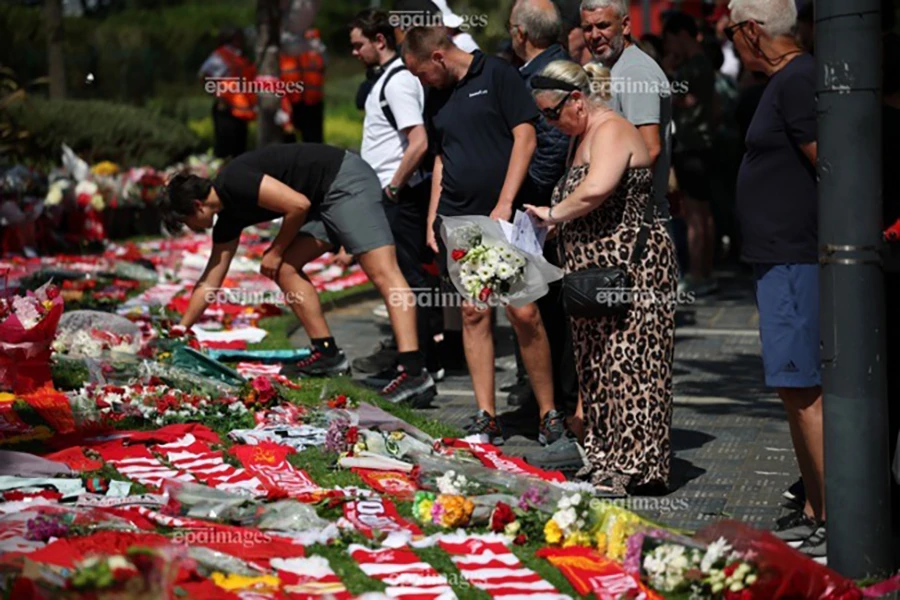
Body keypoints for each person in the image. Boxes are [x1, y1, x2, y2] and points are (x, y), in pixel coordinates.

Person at [160, 143, 436, 407]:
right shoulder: (227, 220)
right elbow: (210, 279)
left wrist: (276, 249)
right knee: (285, 268)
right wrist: (182, 328)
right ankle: (327, 354)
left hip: (344, 179)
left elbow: (298, 205)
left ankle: (414, 373)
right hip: (322, 198)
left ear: (197, 205)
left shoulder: (234, 180)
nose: (191, 229)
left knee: (384, 272)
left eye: (186, 222)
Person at [402, 26, 565, 446]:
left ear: (438, 57)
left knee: (523, 312)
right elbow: (441, 156)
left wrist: (506, 202)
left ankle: (549, 413)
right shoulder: (436, 94)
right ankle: (485, 415)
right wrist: (433, 216)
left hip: (503, 216)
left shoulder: (497, 74)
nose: (420, 82)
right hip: (460, 219)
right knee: (475, 313)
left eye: (420, 73)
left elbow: (525, 137)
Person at [525, 60, 677, 496]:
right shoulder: (582, 135)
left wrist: (551, 215)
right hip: (593, 275)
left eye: (554, 113)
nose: (551, 124)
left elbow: (596, 190)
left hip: (631, 269)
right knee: (596, 368)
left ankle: (635, 466)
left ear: (577, 99)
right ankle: (606, 456)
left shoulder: (610, 129)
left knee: (630, 365)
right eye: (544, 117)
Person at [727, 0, 824, 558]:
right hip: (780, 258)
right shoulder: (788, 81)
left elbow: (826, 162)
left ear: (752, 31)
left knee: (805, 387)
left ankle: (837, 518)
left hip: (795, 259)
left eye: (733, 32)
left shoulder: (796, 80)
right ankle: (815, 507)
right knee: (793, 388)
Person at [345, 9, 443, 383]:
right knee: (403, 278)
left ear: (380, 41)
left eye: (359, 45)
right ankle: (416, 358)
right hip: (391, 192)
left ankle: (418, 363)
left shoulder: (397, 82)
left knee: (405, 279)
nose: (355, 53)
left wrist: (392, 187)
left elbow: (417, 141)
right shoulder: (389, 79)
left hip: (396, 196)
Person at [506, 0, 582, 467]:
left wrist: (540, 206)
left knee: (552, 316)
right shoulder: (547, 68)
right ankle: (545, 403)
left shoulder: (547, 75)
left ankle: (556, 410)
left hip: (546, 215)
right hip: (544, 213)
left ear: (520, 33)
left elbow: (552, 145)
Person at [580, 0, 673, 234]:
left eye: (602, 25)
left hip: (634, 223)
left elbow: (649, 149)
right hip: (614, 217)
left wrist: (595, 189)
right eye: (587, 28)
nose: (594, 35)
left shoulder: (634, 72)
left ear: (626, 26)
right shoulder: (607, 68)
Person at [663, 12, 718, 296]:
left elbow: (686, 98)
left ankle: (697, 273)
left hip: (691, 143)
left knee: (695, 213)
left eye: (671, 39)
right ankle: (704, 271)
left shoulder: (694, 65)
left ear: (680, 34)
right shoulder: (701, 62)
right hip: (701, 142)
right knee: (702, 211)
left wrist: (666, 78)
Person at [199, 27, 256, 159]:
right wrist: (217, 95)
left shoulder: (241, 57)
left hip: (241, 109)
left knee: (239, 149)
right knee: (225, 148)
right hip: (226, 109)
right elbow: (204, 75)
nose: (242, 41)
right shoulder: (221, 55)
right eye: (239, 38)